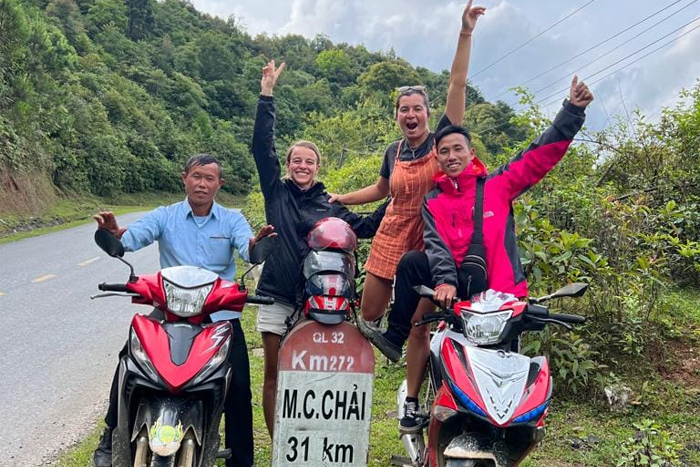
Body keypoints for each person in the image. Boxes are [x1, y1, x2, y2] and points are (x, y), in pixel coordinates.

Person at [363, 76, 594, 431]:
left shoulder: (498, 186)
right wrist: (443, 283)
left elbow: (538, 156)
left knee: (502, 387)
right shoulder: (435, 200)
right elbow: (436, 246)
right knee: (412, 268)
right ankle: (411, 396)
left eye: (458, 149)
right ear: (436, 159)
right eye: (444, 151)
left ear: (472, 154)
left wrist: (572, 111)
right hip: (455, 295)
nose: (452, 156)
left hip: (501, 298)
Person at [91, 154, 272, 467]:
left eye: (210, 178)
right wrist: (116, 236)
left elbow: (248, 247)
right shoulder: (165, 215)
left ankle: (241, 460)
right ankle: (110, 436)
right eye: (197, 176)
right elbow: (132, 238)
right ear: (185, 177)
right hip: (170, 310)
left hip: (219, 316)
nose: (202, 184)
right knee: (129, 362)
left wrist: (258, 246)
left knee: (238, 384)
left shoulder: (232, 219)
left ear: (220, 184)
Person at [329, 1, 485, 351]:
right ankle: (366, 360)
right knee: (367, 314)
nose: (411, 114)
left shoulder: (440, 144)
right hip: (392, 231)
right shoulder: (394, 151)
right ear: (397, 115)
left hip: (430, 236)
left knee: (419, 323)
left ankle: (415, 384)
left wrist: (465, 32)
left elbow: (457, 85)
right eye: (404, 109)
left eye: (417, 108)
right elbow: (381, 188)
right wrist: (343, 198)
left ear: (428, 114)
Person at [252, 60, 387, 437]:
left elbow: (365, 228)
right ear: (290, 165)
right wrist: (267, 96)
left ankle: (316, 440)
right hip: (276, 295)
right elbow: (262, 149)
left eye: (308, 161)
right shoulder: (275, 191)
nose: (301, 166)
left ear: (317, 166)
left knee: (320, 373)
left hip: (323, 302)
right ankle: (280, 444)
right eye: (296, 160)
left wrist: (400, 197)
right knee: (274, 372)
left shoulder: (331, 204)